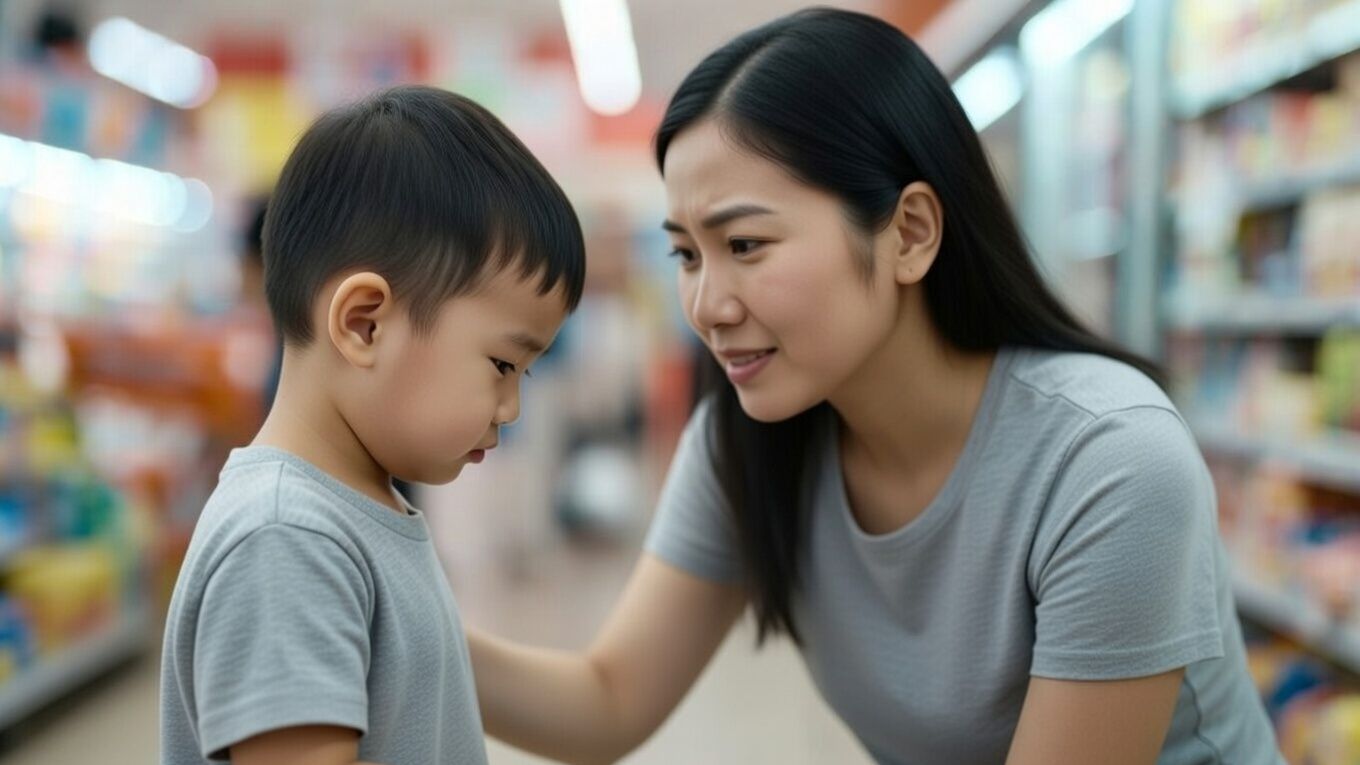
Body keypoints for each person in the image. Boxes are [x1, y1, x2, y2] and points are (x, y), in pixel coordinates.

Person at [468, 9, 1282, 764]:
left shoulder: (1108, 460)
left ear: (910, 233)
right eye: (686, 254)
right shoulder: (744, 445)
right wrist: (389, 614)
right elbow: (608, 700)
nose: (707, 306)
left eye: (746, 243)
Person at [160, 85, 585, 765]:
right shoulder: (286, 541)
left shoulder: (357, 509)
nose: (511, 407)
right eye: (503, 363)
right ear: (365, 323)